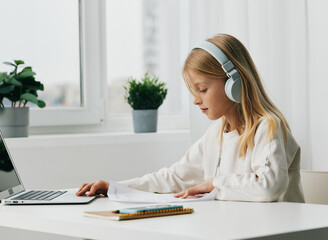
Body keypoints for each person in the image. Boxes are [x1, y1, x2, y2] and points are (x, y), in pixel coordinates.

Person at [76, 33, 305, 202]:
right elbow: (174, 177)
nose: (196, 100)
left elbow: (269, 187)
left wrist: (214, 183)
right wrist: (116, 187)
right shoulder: (215, 134)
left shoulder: (268, 126)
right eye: (193, 92)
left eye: (202, 90)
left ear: (234, 84)